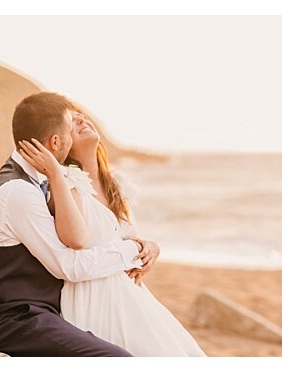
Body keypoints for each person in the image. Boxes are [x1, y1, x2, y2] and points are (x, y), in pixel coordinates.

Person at [16, 109, 205, 356]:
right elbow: (75, 241)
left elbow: (129, 238)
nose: (81, 120)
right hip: (93, 295)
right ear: (60, 140)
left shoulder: (117, 184)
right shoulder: (65, 183)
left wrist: (151, 248)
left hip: (131, 293)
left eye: (81, 115)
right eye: (72, 122)